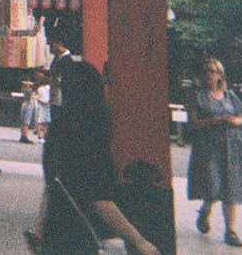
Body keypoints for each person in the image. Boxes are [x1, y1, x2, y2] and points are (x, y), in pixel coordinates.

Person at [24, 58, 160, 255]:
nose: (54, 90)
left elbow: (57, 186)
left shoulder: (65, 131)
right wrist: (140, 242)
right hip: (76, 237)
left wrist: (39, 233)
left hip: (61, 236)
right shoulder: (87, 129)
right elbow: (96, 197)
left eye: (59, 84)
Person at [186, 57, 242, 248]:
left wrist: (235, 121)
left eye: (213, 71)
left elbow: (240, 117)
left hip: (231, 146)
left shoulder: (229, 95)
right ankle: (205, 210)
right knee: (212, 185)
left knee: (231, 186)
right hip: (208, 147)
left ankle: (230, 231)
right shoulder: (197, 96)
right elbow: (192, 123)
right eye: (206, 70)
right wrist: (213, 121)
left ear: (220, 74)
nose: (209, 74)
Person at [34, 73, 52, 142]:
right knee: (46, 122)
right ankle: (45, 136)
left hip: (41, 105)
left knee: (39, 121)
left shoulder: (39, 89)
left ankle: (40, 136)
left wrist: (41, 100)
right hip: (48, 105)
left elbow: (37, 97)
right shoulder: (49, 88)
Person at [20, 78, 37, 143]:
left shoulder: (23, 89)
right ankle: (25, 135)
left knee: (23, 121)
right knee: (26, 121)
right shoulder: (29, 90)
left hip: (25, 104)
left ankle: (23, 135)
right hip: (29, 104)